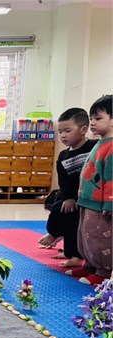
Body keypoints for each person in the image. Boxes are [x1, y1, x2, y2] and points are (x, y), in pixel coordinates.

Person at [37, 108, 97, 267]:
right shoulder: (63, 155)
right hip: (74, 198)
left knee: (74, 221)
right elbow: (63, 181)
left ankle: (74, 253)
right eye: (60, 132)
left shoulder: (94, 147)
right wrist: (68, 198)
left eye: (67, 131)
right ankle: (60, 241)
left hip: (91, 196)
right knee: (60, 210)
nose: (63, 135)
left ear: (83, 130)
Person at [68, 95, 112, 285]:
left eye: (98, 118)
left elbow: (111, 178)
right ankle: (90, 266)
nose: (92, 123)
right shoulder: (100, 143)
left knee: (99, 238)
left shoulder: (111, 146)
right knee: (86, 237)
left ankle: (103, 272)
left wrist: (109, 203)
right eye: (91, 118)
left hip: (100, 205)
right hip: (87, 201)